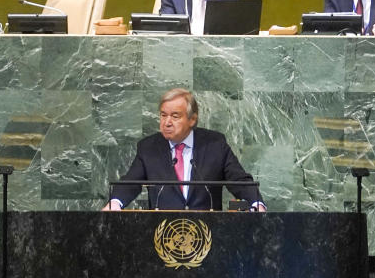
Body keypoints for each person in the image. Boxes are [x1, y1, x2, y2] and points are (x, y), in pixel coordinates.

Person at [103, 88, 264, 211]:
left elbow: (239, 181)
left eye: (175, 116)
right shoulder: (149, 148)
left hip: (209, 234)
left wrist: (256, 203)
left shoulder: (215, 144)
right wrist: (115, 202)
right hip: (163, 236)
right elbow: (130, 182)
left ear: (192, 119)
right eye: (163, 115)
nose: (167, 122)